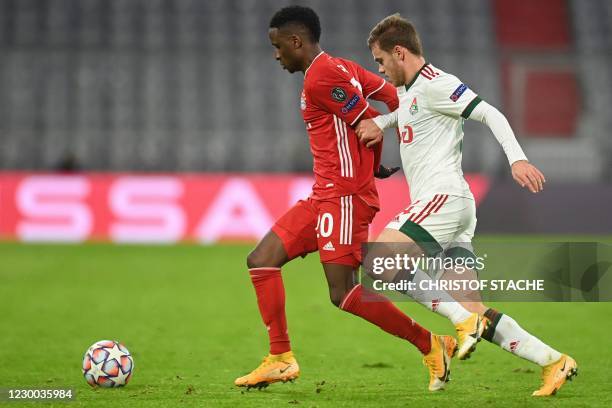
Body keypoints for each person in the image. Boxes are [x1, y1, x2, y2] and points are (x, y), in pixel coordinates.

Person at [234, 6, 480, 392]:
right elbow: (394, 97)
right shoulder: (341, 67)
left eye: (278, 46)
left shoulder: (323, 78)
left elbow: (370, 122)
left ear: (296, 41)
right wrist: (376, 160)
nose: (276, 54)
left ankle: (431, 344)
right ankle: (280, 358)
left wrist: (373, 164)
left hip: (344, 197)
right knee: (261, 260)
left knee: (343, 291)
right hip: (324, 196)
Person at [356, 13, 577, 397]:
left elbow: (491, 113)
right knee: (473, 309)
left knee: (380, 261)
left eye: (380, 60)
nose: (379, 69)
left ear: (399, 52)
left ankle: (457, 324)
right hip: (454, 209)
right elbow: (412, 114)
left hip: (441, 199)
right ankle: (554, 361)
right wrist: (385, 122)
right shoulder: (409, 90)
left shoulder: (438, 84)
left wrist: (517, 159)